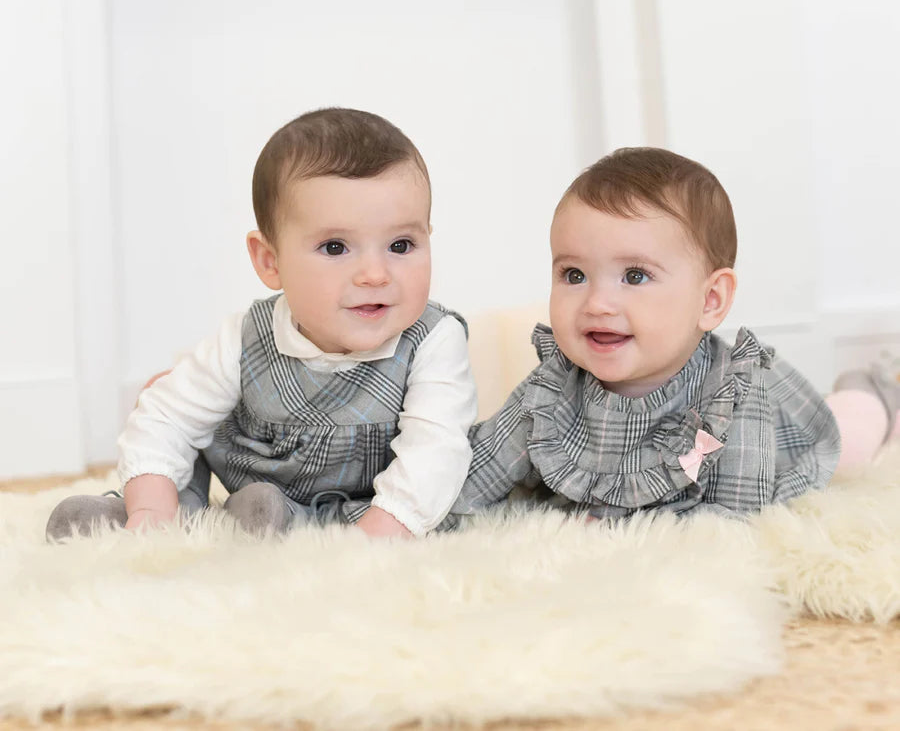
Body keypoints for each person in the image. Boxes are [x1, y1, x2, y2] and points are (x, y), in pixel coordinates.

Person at [47, 108, 477, 540]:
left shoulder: (433, 340)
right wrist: (150, 504)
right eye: (335, 247)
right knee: (166, 396)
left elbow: (435, 449)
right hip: (250, 472)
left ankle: (271, 518)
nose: (374, 274)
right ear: (270, 262)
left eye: (400, 245)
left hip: (359, 508)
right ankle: (165, 510)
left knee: (438, 476)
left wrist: (383, 530)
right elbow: (167, 417)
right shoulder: (247, 337)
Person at [451, 147, 899, 521]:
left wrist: (623, 527)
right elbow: (476, 474)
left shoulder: (734, 402)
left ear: (710, 301)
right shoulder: (551, 392)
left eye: (635, 276)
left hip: (786, 439)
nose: (597, 303)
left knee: (852, 441)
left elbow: (737, 519)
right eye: (573, 274)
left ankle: (877, 389)